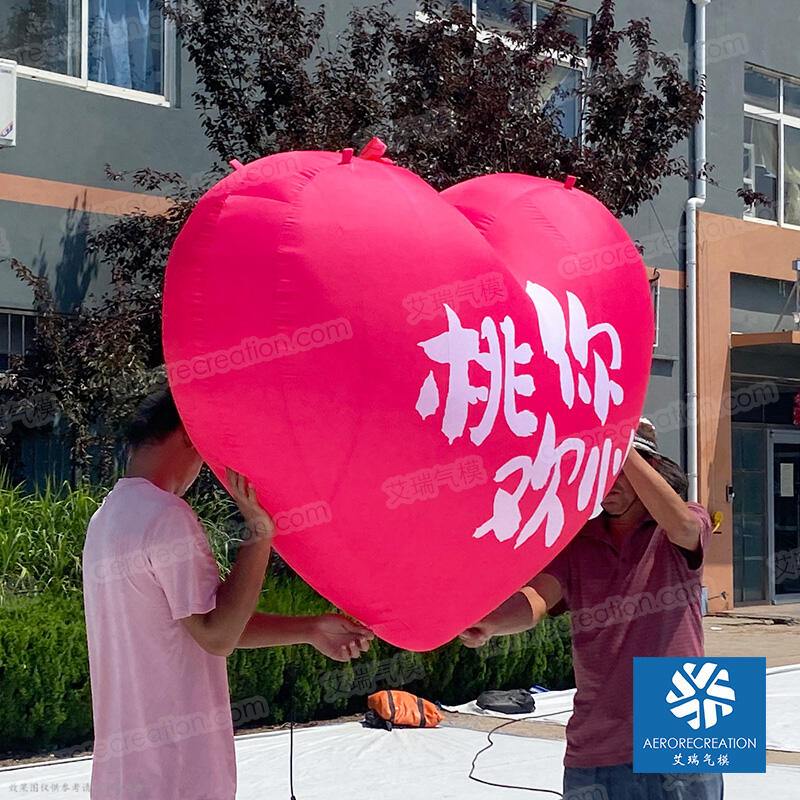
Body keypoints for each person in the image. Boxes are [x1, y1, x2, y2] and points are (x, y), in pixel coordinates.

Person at [83, 387, 373, 800]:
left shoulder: (107, 517)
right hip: (177, 776)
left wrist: (311, 629)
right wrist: (259, 534)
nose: (202, 468)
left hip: (122, 779)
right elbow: (216, 635)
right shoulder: (166, 517)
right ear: (188, 434)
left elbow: (201, 626)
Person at [459, 419, 723, 800]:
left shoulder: (684, 522)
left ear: (647, 469)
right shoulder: (579, 540)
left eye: (615, 470)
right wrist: (490, 622)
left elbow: (682, 526)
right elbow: (536, 600)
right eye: (596, 470)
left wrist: (618, 442)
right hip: (597, 736)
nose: (604, 483)